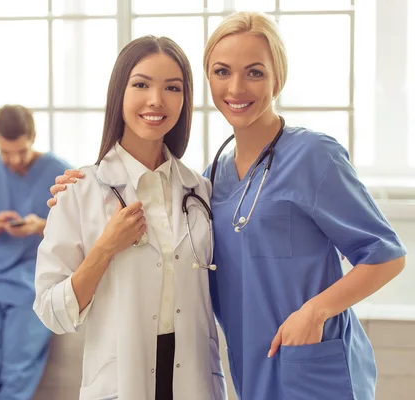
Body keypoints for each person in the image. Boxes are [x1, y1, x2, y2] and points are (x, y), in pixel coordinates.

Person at [48, 12, 407, 400]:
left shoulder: (314, 156)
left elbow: (386, 256)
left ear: (277, 79)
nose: (236, 88)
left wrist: (315, 311)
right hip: (251, 370)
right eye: (222, 72)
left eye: (254, 72)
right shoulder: (208, 182)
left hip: (314, 364)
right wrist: (81, 190)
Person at [34, 36, 226, 400]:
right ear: (119, 93)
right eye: (141, 84)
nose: (156, 100)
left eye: (172, 87)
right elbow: (50, 312)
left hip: (194, 379)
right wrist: (105, 248)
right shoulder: (80, 191)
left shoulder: (200, 190)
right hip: (120, 382)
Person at [0, 105, 71, 400]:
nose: (14, 160)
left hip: (32, 287)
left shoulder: (59, 172)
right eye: (6, 153)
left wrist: (38, 226)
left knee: (16, 376)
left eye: (21, 151)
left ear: (33, 137)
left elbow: (79, 235)